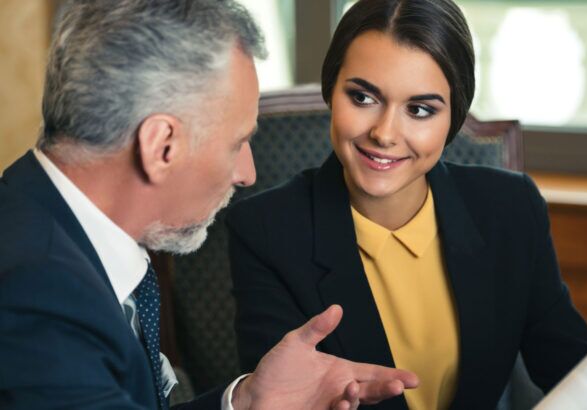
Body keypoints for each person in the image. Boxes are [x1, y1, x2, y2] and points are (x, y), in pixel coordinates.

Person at [227, 0, 587, 409]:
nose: (384, 133)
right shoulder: (266, 229)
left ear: (454, 118)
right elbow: (274, 398)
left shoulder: (510, 210)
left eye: (421, 109)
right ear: (330, 91)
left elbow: (575, 377)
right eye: (362, 97)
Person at [0, 1, 420, 409]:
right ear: (161, 145)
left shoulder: (37, 219)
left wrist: (246, 402)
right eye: (237, 143)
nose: (248, 173)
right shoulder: (40, 297)